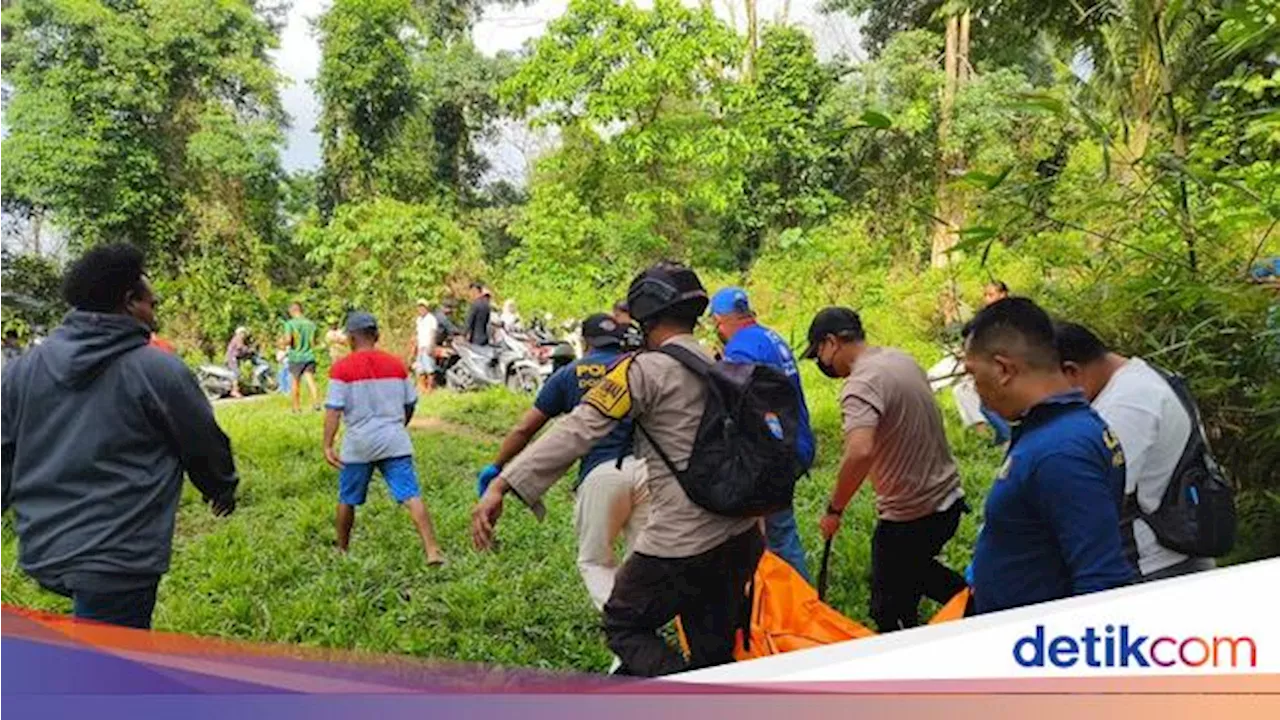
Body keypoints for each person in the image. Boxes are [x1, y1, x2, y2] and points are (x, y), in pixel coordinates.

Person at [472, 262, 762, 677]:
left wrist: (503, 483)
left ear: (645, 315)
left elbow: (576, 430)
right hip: (741, 535)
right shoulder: (720, 363)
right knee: (711, 649)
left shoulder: (641, 370)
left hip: (683, 540)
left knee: (623, 622)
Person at [0, 243, 238, 629]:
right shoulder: (156, 370)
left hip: (44, 548)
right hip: (117, 555)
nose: (155, 317)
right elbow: (201, 441)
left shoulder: (22, 371)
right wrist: (221, 488)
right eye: (152, 304)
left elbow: (3, 452)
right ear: (129, 302)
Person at [802, 307, 968, 632]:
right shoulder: (900, 359)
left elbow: (860, 451)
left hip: (910, 513)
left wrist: (835, 508)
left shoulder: (861, 384)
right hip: (947, 499)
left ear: (831, 343)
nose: (821, 362)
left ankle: (977, 606)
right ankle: (941, 612)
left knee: (884, 605)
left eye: (818, 352)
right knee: (909, 576)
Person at [964, 298, 1134, 614]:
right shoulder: (1055, 429)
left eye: (973, 375)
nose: (975, 390)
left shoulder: (1060, 452)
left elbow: (1101, 579)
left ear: (1003, 369)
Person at [477, 313, 648, 612]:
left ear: (584, 342)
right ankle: (646, 625)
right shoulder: (636, 369)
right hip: (650, 472)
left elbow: (525, 429)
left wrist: (498, 466)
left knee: (596, 561)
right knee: (644, 561)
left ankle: (625, 631)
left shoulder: (569, 374)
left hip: (601, 475)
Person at [1055, 322, 1215, 581]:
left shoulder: (1126, 406)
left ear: (1071, 371)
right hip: (1172, 554)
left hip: (1157, 566)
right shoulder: (1139, 377)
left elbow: (1093, 499)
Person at [710, 287, 816, 581]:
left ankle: (796, 606)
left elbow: (736, 405)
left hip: (773, 451)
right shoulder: (771, 337)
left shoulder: (740, 349)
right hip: (796, 441)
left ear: (720, 321)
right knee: (780, 529)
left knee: (776, 535)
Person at [323, 312, 445, 566]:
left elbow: (334, 410)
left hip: (358, 445)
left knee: (347, 499)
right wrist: (401, 425)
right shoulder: (396, 365)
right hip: (394, 441)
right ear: (376, 336)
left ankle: (342, 550)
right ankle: (432, 550)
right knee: (411, 495)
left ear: (350, 338)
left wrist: (327, 444)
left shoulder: (341, 369)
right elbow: (410, 403)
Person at [283, 302, 320, 413]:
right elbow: (313, 343)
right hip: (309, 356)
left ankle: (296, 407)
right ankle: (317, 403)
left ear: (292, 311)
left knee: (295, 382)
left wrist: (282, 342)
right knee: (311, 381)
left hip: (296, 357)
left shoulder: (290, 324)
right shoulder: (311, 324)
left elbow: (289, 340)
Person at [409, 299, 439, 394]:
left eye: (423, 307)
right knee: (420, 369)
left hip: (427, 346)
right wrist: (415, 347)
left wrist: (431, 346)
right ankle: (423, 388)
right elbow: (417, 334)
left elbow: (433, 333)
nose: (421, 309)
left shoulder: (431, 319)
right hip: (420, 347)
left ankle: (430, 388)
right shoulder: (419, 320)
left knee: (429, 369)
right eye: (419, 307)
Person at [464, 282, 493, 347]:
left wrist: (464, 334)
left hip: (475, 339)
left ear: (475, 291)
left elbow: (469, 321)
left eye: (471, 292)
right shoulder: (487, 305)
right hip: (485, 337)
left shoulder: (475, 305)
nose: (470, 295)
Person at [225, 326, 251, 398]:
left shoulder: (236, 339)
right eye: (244, 333)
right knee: (236, 374)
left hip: (232, 358)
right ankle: (234, 391)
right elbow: (240, 347)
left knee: (234, 374)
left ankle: (236, 389)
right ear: (240, 333)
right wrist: (248, 350)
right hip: (232, 358)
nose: (244, 335)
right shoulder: (238, 339)